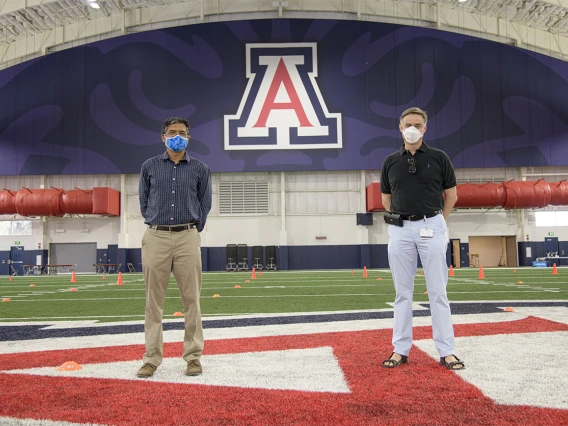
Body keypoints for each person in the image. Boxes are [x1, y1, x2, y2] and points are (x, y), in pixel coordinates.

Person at [380, 107, 464, 370]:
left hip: (432, 224)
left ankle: (446, 351)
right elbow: (386, 199)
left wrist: (438, 221)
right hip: (401, 228)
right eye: (408, 124)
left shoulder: (439, 158)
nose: (412, 128)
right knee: (402, 292)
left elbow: (451, 195)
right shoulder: (390, 161)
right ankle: (400, 349)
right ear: (400, 128)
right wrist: (401, 221)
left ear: (425, 128)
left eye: (417, 124)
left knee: (438, 291)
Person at [137, 117, 212, 378]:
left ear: (188, 138)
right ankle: (151, 358)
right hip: (155, 235)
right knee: (153, 303)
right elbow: (144, 202)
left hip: (187, 235)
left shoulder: (200, 169)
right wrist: (156, 223)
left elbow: (205, 204)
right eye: (172, 132)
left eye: (181, 132)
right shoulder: (149, 167)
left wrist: (192, 229)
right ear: (163, 137)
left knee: (191, 300)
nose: (176, 136)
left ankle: (193, 357)